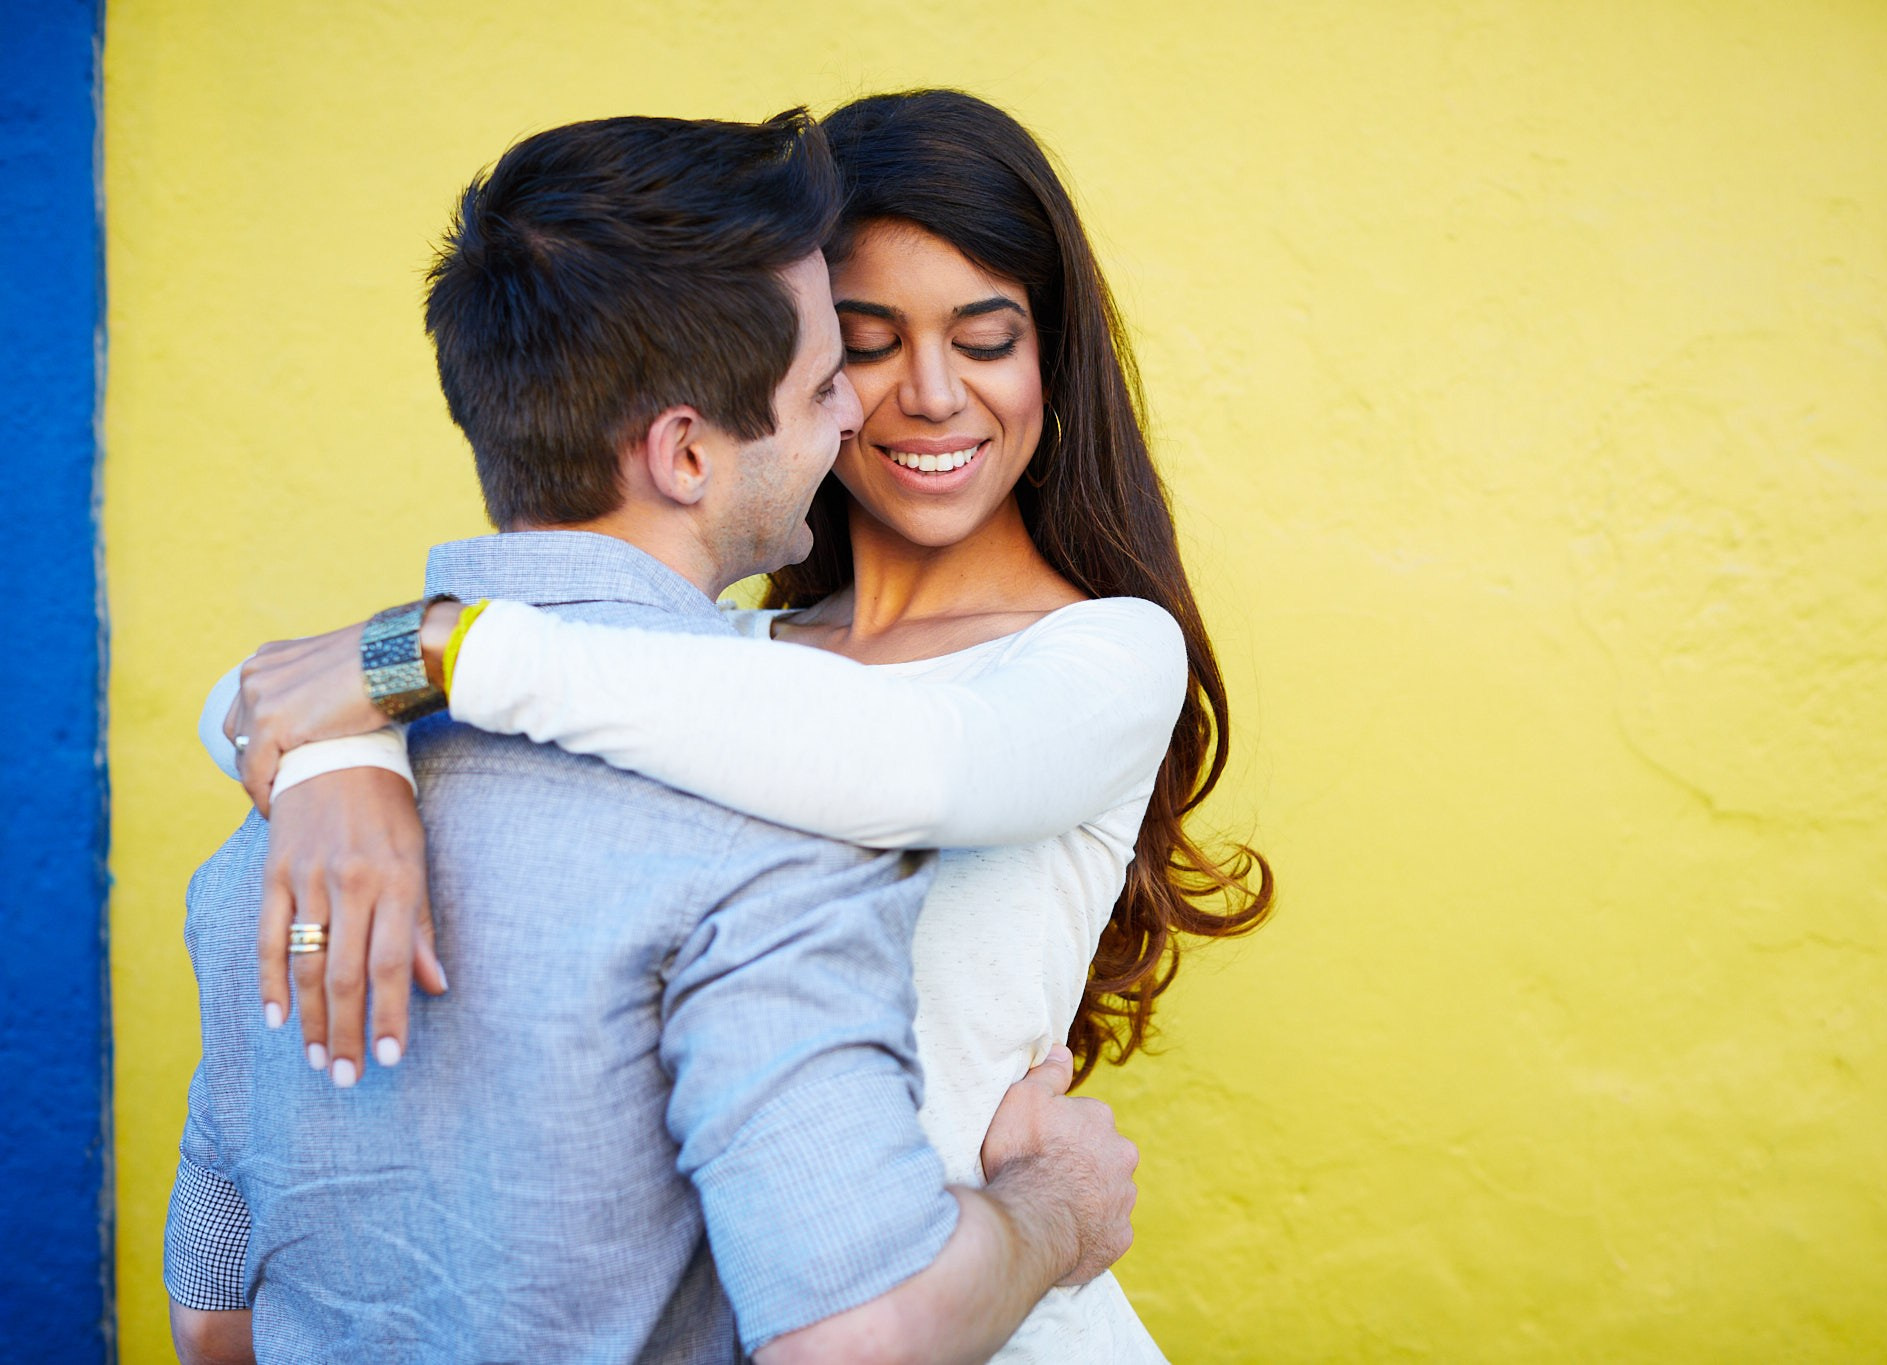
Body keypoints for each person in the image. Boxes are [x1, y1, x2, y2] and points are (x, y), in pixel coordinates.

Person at [201, 91, 1273, 1361]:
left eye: (986, 339)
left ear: (1052, 361)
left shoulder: (1098, 654)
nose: (928, 395)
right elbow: (253, 702)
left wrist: (428, 657)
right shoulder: (704, 665)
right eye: (862, 346)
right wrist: (341, 759)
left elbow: (911, 765)